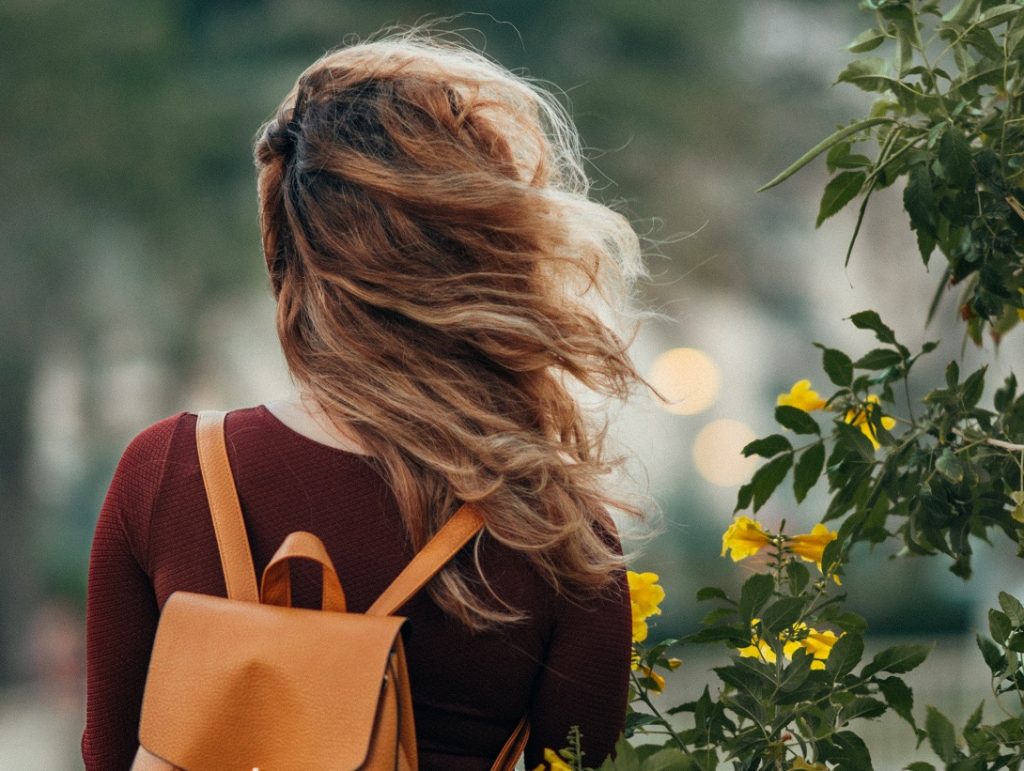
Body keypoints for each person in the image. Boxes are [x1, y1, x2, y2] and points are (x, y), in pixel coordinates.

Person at [82, 30, 649, 771]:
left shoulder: (170, 471)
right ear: (491, 255)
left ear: (293, 254)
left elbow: (106, 754)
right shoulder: (557, 532)